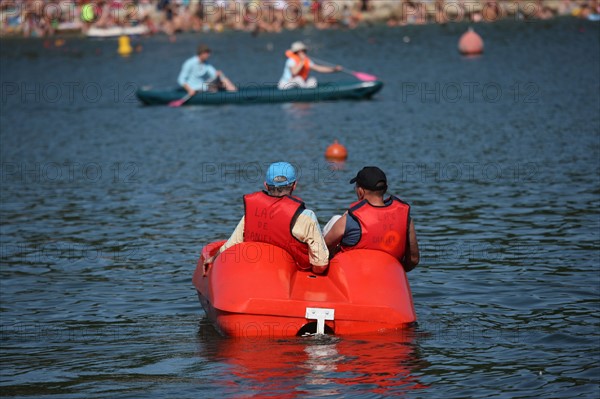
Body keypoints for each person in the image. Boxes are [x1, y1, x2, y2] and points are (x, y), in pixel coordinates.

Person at [205, 162, 329, 275]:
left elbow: (230, 246)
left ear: (266, 185)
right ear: (294, 185)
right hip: (292, 277)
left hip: (256, 272)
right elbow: (321, 265)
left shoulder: (252, 213)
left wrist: (212, 259)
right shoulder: (306, 217)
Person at [324, 166, 420, 272]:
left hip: (351, 277)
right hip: (389, 277)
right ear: (385, 189)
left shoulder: (350, 219)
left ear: (360, 192)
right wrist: (397, 271)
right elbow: (414, 259)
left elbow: (322, 249)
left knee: (335, 219)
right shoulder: (406, 219)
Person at [278, 41, 342, 89]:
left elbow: (319, 68)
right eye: (300, 51)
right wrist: (302, 61)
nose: (303, 52)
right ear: (296, 52)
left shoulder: (307, 61)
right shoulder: (291, 61)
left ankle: (309, 94)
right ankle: (306, 92)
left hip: (299, 85)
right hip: (285, 85)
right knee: (298, 79)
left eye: (304, 51)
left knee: (312, 80)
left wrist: (334, 69)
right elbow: (294, 72)